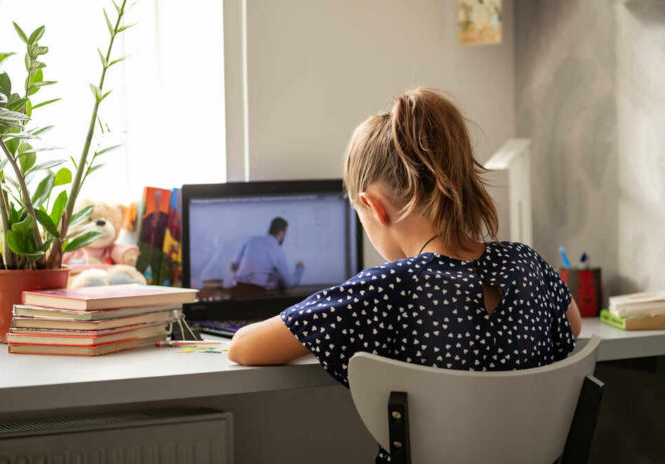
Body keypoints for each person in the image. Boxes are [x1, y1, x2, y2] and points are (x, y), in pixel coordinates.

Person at [228, 89, 581, 463]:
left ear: (373, 207)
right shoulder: (528, 263)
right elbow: (572, 326)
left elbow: (244, 347)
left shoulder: (387, 288)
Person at [231, 217, 305, 294]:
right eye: (285, 233)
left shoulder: (252, 240)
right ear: (281, 233)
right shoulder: (277, 250)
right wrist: (300, 269)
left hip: (236, 288)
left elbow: (234, 266)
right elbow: (289, 283)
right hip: (255, 292)